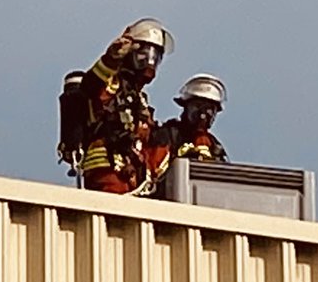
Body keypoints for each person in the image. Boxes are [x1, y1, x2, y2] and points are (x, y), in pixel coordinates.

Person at [60, 19, 176, 195]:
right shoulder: (111, 83)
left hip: (131, 174)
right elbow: (91, 86)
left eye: (154, 56)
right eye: (144, 54)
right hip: (107, 168)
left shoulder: (139, 99)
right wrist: (111, 58)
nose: (149, 61)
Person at [166, 74, 229, 162]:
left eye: (210, 108)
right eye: (198, 105)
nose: (203, 114)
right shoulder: (169, 135)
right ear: (186, 107)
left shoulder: (214, 146)